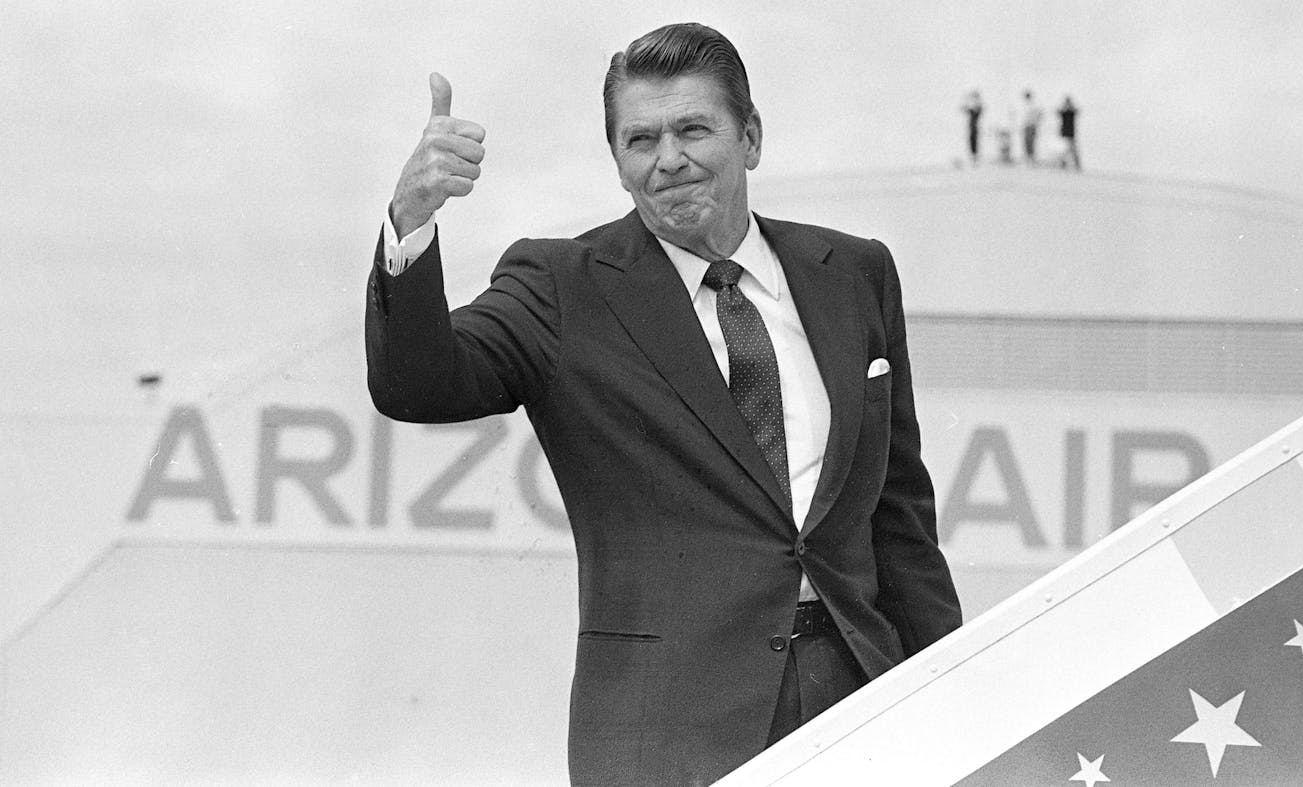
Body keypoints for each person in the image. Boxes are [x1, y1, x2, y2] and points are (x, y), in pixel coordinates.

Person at [365, 22, 961, 786]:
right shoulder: (560, 285)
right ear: (616, 161)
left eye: (692, 129)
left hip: (865, 707)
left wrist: (953, 689)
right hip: (667, 734)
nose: (668, 159)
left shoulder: (854, 272)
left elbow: (899, 519)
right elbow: (417, 383)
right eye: (639, 140)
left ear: (751, 137)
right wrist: (410, 220)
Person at [1058, 95, 1081, 170]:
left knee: (1072, 149)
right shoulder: (1064, 112)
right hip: (1064, 132)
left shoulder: (1071, 112)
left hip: (1070, 133)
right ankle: (1063, 163)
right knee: (1064, 149)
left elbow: (1076, 111)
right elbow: (1059, 112)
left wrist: (1070, 107)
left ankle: (1076, 164)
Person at [961, 90, 983, 165]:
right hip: (972, 130)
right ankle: (974, 158)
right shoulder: (973, 112)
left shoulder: (976, 112)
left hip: (974, 130)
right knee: (972, 143)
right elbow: (965, 109)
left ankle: (975, 159)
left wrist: (974, 100)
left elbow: (975, 109)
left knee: (974, 143)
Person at [1021, 90, 1043, 165]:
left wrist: (1036, 123)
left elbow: (1040, 114)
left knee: (1031, 142)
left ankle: (1032, 158)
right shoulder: (1025, 105)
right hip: (1027, 126)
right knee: (1026, 142)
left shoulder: (1033, 105)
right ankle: (1028, 158)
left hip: (1031, 126)